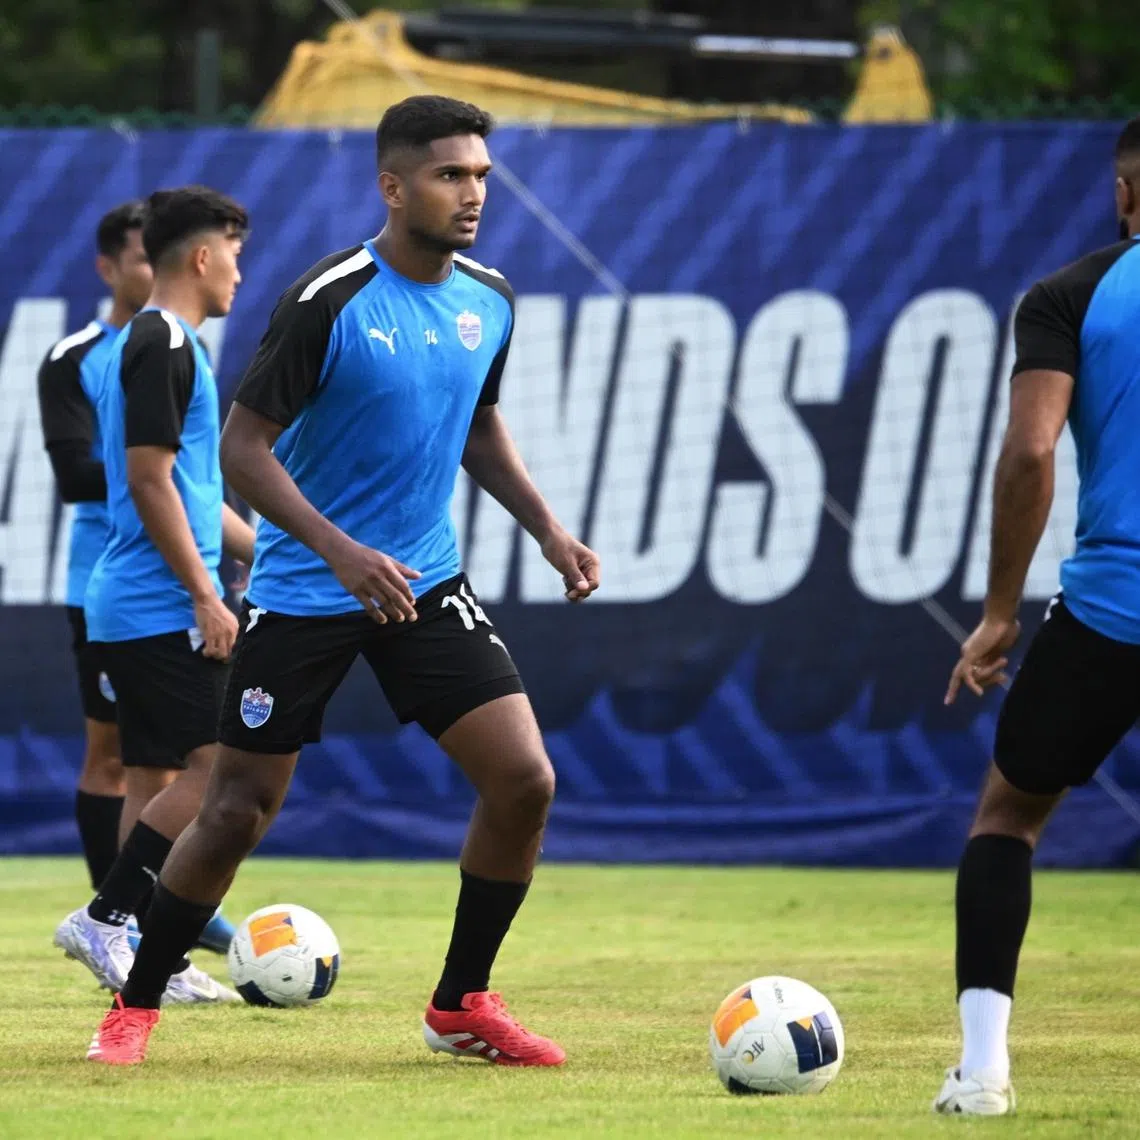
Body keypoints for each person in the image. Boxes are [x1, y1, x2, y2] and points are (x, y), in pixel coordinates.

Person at [85, 94, 601, 1065]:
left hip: (422, 585)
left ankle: (460, 1004)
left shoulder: (488, 299)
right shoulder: (330, 299)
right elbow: (243, 450)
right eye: (451, 174)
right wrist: (339, 552)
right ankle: (135, 1007)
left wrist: (548, 531)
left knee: (524, 780)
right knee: (235, 810)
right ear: (393, 185)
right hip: (309, 592)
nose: (472, 193)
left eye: (482, 175)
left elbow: (478, 426)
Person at [936, 116, 1140, 1115]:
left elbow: (1030, 453)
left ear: (1125, 193)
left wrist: (1000, 613)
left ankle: (982, 1073)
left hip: (1111, 612)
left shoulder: (1071, 295)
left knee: (1009, 817)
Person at [54, 185, 256, 1006]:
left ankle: (148, 951)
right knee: (217, 778)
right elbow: (148, 480)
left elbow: (196, 493)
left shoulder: (167, 344)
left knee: (154, 773)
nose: (241, 274)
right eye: (235, 255)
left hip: (138, 602)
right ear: (202, 257)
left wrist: (281, 545)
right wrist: (206, 595)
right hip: (153, 604)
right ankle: (108, 917)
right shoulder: (163, 343)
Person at [37, 202, 151, 891]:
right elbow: (76, 476)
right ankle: (118, 920)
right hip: (107, 586)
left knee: (184, 761)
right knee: (112, 756)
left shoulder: (183, 349)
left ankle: (165, 903)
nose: (157, 269)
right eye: (143, 258)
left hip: (185, 583)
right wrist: (156, 466)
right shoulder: (76, 358)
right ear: (108, 268)